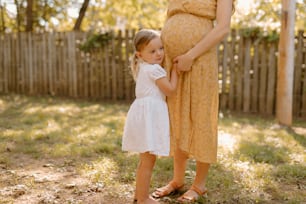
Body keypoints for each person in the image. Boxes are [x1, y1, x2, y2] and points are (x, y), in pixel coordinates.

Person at [152, 0, 235, 202]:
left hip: (200, 58)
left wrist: (190, 55)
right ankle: (177, 180)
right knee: (176, 114)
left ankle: (199, 185)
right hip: (171, 60)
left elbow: (223, 27)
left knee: (200, 115)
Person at [122, 29, 178, 204]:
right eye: (152, 51)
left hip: (142, 114)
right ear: (140, 54)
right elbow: (170, 90)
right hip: (149, 117)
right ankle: (144, 198)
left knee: (145, 159)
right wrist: (175, 71)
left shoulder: (143, 67)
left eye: (161, 48)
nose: (159, 53)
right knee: (148, 160)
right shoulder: (154, 70)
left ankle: (139, 195)